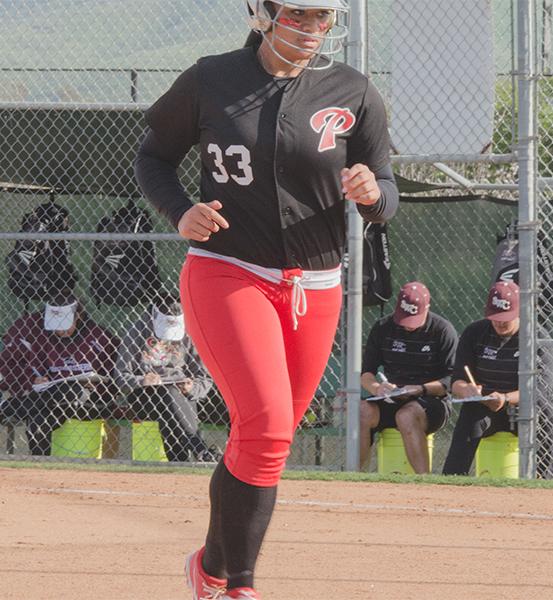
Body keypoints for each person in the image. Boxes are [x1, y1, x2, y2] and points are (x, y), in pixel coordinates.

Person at [134, 1, 399, 597]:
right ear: (262, 12)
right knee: (268, 423)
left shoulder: (351, 90)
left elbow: (387, 186)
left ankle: (210, 568)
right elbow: (152, 157)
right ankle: (240, 587)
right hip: (229, 270)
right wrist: (181, 211)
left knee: (264, 440)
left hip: (315, 286)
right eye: (296, 14)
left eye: (321, 18)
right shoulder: (212, 77)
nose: (310, 28)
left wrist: (372, 192)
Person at [442, 281, 553, 477]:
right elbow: (457, 381)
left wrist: (505, 398)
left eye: (506, 318)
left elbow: (541, 388)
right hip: (485, 405)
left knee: (547, 411)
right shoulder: (474, 333)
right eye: (495, 317)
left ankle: (548, 478)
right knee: (470, 414)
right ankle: (452, 477)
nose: (499, 323)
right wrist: (468, 390)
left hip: (522, 407)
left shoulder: (536, 336)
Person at [360, 282, 458, 473]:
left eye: (414, 319)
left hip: (431, 400)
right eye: (404, 318)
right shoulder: (383, 327)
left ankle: (424, 481)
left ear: (427, 309)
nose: (408, 326)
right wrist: (377, 389)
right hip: (391, 397)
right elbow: (366, 374)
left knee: (406, 415)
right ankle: (352, 475)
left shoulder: (443, 330)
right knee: (362, 411)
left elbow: (452, 380)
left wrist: (420, 389)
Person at [114, 293, 220, 463]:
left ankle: (181, 462)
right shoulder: (137, 330)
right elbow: (120, 376)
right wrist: (142, 380)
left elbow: (205, 377)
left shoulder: (190, 332)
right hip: (144, 396)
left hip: (181, 395)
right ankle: (201, 450)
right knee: (167, 394)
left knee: (171, 396)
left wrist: (192, 388)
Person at [21, 291, 120, 455]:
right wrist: (38, 379)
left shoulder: (100, 336)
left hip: (91, 400)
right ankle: (41, 464)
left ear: (78, 316)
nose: (60, 330)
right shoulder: (44, 338)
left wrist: (98, 383)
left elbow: (115, 375)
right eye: (56, 325)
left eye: (65, 324)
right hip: (54, 402)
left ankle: (13, 407)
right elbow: (37, 369)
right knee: (37, 420)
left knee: (72, 389)